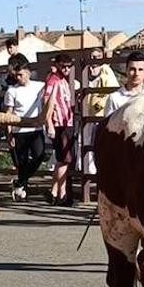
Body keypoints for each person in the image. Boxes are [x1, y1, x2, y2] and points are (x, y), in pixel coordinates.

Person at [3, 63, 46, 201]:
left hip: (35, 128)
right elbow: (8, 113)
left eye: (20, 74)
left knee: (39, 156)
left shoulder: (39, 86)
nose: (18, 78)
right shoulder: (12, 91)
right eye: (16, 75)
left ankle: (19, 183)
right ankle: (22, 189)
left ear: (28, 73)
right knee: (21, 162)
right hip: (19, 130)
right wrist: (9, 134)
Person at [44, 54, 79, 206]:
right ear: (57, 65)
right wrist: (49, 123)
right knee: (64, 159)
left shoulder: (63, 81)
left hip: (67, 122)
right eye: (63, 66)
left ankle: (56, 191)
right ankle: (59, 193)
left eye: (68, 66)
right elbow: (47, 101)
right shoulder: (53, 80)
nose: (66, 69)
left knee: (63, 160)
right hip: (59, 123)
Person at [82, 48, 120, 175]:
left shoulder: (106, 72)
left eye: (97, 56)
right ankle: (88, 170)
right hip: (87, 113)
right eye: (92, 56)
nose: (94, 59)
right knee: (86, 142)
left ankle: (97, 171)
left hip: (101, 114)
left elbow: (110, 90)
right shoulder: (85, 70)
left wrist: (100, 103)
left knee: (97, 143)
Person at [105, 51, 144, 116]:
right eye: (132, 69)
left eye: (140, 69)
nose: (136, 74)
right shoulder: (115, 98)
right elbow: (109, 124)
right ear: (126, 70)